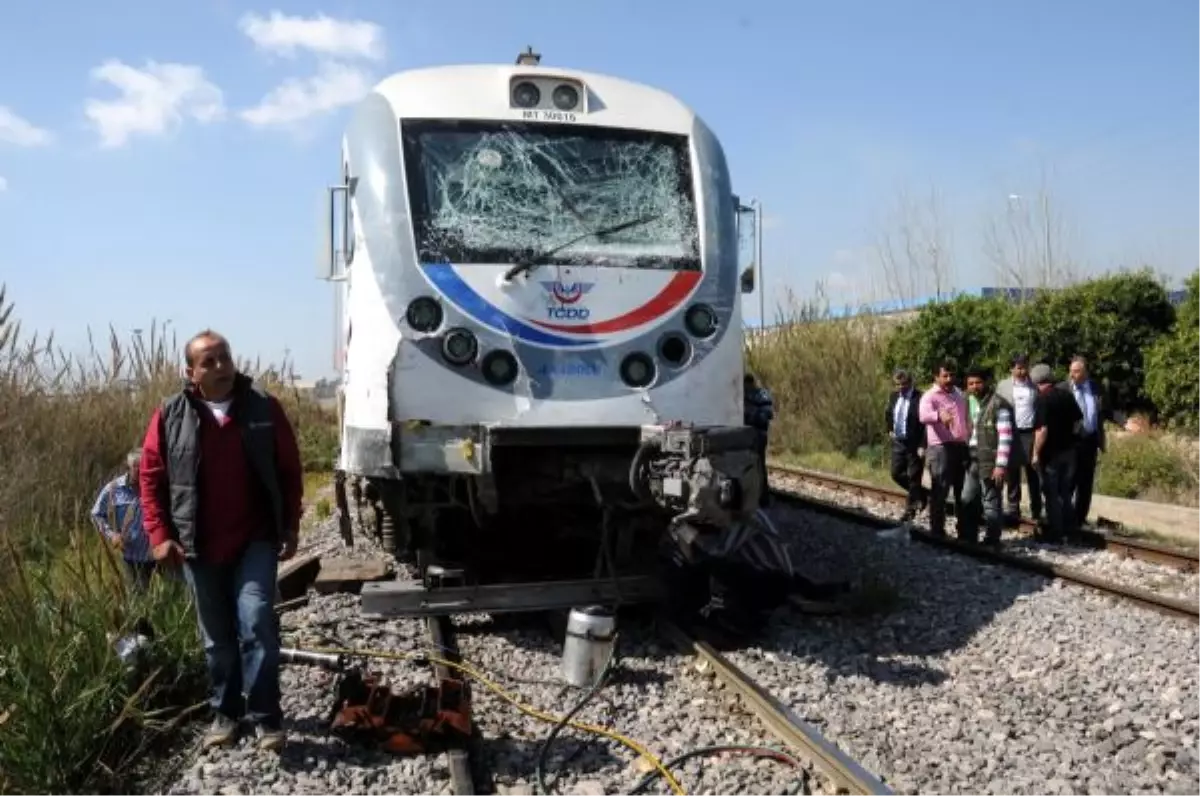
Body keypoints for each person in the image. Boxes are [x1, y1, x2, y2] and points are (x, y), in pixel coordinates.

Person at [139, 330, 303, 751]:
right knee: (217, 641)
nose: (220, 367)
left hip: (255, 540)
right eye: (208, 362)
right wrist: (160, 535)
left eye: (224, 358)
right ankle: (226, 714)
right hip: (198, 545)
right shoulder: (170, 414)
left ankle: (266, 717)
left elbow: (289, 470)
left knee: (256, 621)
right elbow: (151, 478)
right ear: (190, 372)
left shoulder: (263, 407)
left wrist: (290, 526)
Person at [1029, 363, 1083, 543]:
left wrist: (1035, 453)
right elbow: (1078, 421)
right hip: (1069, 451)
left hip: (1051, 454)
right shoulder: (1067, 395)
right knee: (1065, 492)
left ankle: (1056, 532)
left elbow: (1042, 431)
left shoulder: (1042, 400)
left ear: (1037, 381)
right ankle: (1071, 530)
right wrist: (1073, 440)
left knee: (1051, 493)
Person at [90, 449, 157, 592]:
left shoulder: (157, 486)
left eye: (145, 466)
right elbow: (96, 515)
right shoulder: (114, 489)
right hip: (132, 556)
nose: (142, 471)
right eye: (137, 467)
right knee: (138, 596)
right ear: (128, 467)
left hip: (159, 554)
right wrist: (112, 535)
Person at [961, 366, 1014, 546]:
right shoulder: (966, 401)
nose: (974, 387)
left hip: (990, 460)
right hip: (972, 458)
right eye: (971, 383)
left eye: (978, 382)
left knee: (991, 502)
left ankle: (992, 540)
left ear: (986, 383)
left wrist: (1000, 465)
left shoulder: (999, 404)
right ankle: (969, 537)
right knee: (967, 499)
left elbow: (1006, 436)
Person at [917, 361, 970, 537]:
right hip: (940, 448)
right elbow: (923, 416)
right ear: (936, 377)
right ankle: (937, 529)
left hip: (960, 445)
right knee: (940, 490)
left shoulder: (959, 394)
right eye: (945, 376)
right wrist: (938, 415)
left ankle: (964, 530)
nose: (949, 379)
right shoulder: (930, 396)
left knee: (962, 490)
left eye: (951, 375)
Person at [1060, 356, 1106, 528]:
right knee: (1069, 479)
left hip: (1090, 440)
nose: (1073, 375)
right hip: (1071, 441)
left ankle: (1080, 518)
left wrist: (1124, 422)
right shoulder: (1064, 388)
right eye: (1071, 371)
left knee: (1086, 482)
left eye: (1077, 371)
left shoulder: (1096, 388)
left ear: (1085, 372)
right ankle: (1064, 516)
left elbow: (1105, 411)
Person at [996, 354, 1041, 527]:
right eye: (1019, 368)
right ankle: (1013, 509)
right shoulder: (1003, 386)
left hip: (1029, 432)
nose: (1022, 371)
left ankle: (1037, 509)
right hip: (1011, 432)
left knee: (1033, 472)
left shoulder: (1034, 386)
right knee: (1012, 473)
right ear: (1011, 369)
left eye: (1025, 367)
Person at [885, 369, 927, 521]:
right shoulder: (893, 396)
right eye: (897, 385)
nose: (900, 387)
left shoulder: (920, 397)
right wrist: (889, 429)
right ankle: (921, 494)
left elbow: (926, 424)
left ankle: (910, 510)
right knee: (896, 473)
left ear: (910, 383)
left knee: (914, 476)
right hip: (898, 441)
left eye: (903, 384)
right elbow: (889, 413)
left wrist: (923, 444)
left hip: (914, 443)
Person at [744, 373, 775, 508]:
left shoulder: (759, 395)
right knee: (757, 465)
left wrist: (750, 415)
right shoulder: (751, 395)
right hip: (751, 434)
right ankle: (758, 496)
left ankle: (762, 497)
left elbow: (767, 415)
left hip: (756, 434)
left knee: (758, 465)